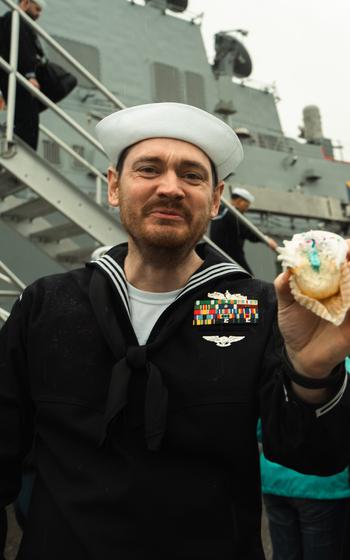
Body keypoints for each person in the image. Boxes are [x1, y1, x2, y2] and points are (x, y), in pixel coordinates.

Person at [1, 102, 350, 560]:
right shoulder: (45, 304)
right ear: (113, 186)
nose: (170, 188)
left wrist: (311, 375)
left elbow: (312, 458)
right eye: (148, 169)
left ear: (216, 198)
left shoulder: (261, 308)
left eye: (192, 175)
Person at [258, 418, 350, 560]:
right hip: (322, 484)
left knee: (284, 554)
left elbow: (260, 428)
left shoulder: (272, 394)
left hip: (275, 478)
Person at [0, 0, 46, 150]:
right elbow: (23, 50)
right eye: (37, 9)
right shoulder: (17, 19)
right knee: (29, 120)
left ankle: (17, 142)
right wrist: (30, 75)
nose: (38, 14)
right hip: (19, 79)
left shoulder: (10, 20)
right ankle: (24, 150)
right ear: (26, 3)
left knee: (24, 118)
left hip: (11, 78)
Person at [210, 186, 277, 274]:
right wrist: (266, 240)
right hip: (231, 256)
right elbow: (248, 231)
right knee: (248, 279)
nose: (247, 209)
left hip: (217, 256)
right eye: (246, 205)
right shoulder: (232, 214)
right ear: (239, 201)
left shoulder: (220, 210)